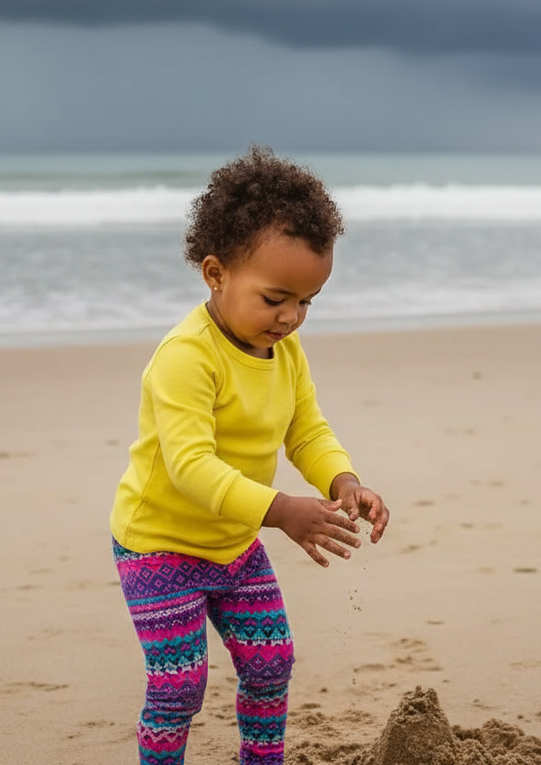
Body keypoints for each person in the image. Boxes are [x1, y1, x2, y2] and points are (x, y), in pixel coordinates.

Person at [110, 145, 390, 765]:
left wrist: (344, 480)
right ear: (216, 273)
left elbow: (306, 431)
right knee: (180, 686)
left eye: (307, 301)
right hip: (159, 545)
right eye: (275, 298)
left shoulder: (284, 353)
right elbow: (191, 467)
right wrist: (282, 510)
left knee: (271, 663)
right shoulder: (188, 357)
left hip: (234, 541)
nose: (291, 317)